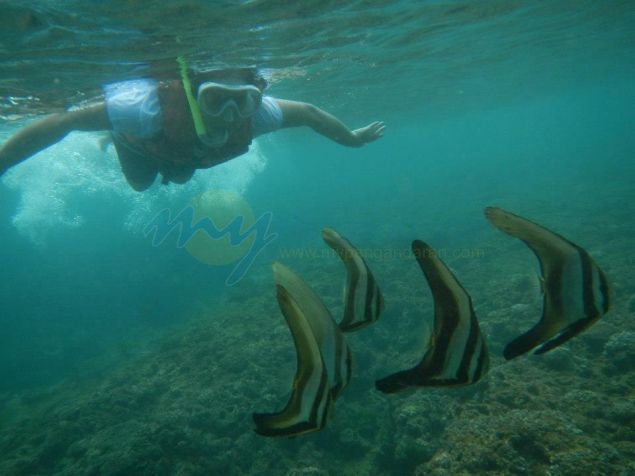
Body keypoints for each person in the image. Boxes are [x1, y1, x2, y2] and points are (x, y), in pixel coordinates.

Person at [0, 64, 385, 191]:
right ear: (192, 92)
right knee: (141, 185)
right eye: (217, 99)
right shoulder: (146, 109)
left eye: (244, 99)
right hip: (142, 144)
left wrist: (349, 139)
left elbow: (311, 112)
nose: (233, 112)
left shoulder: (259, 113)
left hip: (189, 154)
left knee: (182, 177)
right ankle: (114, 134)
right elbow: (64, 120)